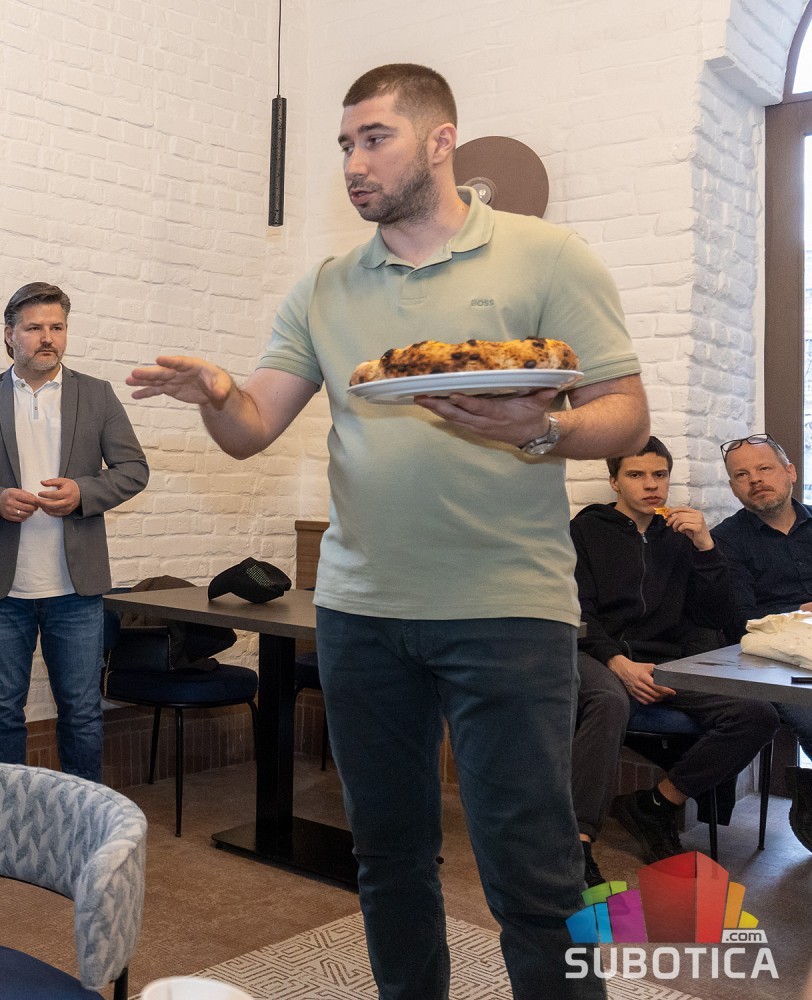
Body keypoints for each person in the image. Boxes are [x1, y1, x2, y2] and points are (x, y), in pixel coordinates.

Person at [127, 64, 648, 1000]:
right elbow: (251, 428)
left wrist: (541, 428)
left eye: (375, 139)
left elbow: (627, 415)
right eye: (344, 145)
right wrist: (216, 393)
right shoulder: (326, 287)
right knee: (388, 859)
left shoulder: (547, 257)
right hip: (362, 613)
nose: (354, 164)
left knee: (533, 872)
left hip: (507, 608)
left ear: (441, 140)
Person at [0, 282, 148, 781]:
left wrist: (83, 493)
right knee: (1, 712)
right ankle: (7, 815)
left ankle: (80, 815)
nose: (47, 338)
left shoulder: (97, 395)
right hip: (2, 590)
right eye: (34, 328)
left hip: (77, 589)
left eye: (57, 327)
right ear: (10, 335)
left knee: (82, 712)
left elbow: (134, 469)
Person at [570, 437, 777, 880]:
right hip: (598, 655)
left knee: (757, 714)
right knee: (609, 702)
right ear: (614, 481)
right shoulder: (585, 531)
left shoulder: (680, 535)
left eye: (659, 475)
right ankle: (577, 844)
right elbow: (578, 613)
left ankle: (657, 804)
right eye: (636, 474)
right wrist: (618, 663)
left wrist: (705, 547)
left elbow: (716, 617)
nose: (651, 485)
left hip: (666, 662)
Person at [710, 433, 812, 853]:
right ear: (733, 487)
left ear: (790, 472)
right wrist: (799, 614)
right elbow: (742, 621)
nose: (755, 479)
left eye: (764, 468)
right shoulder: (726, 540)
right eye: (742, 475)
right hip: (773, 659)